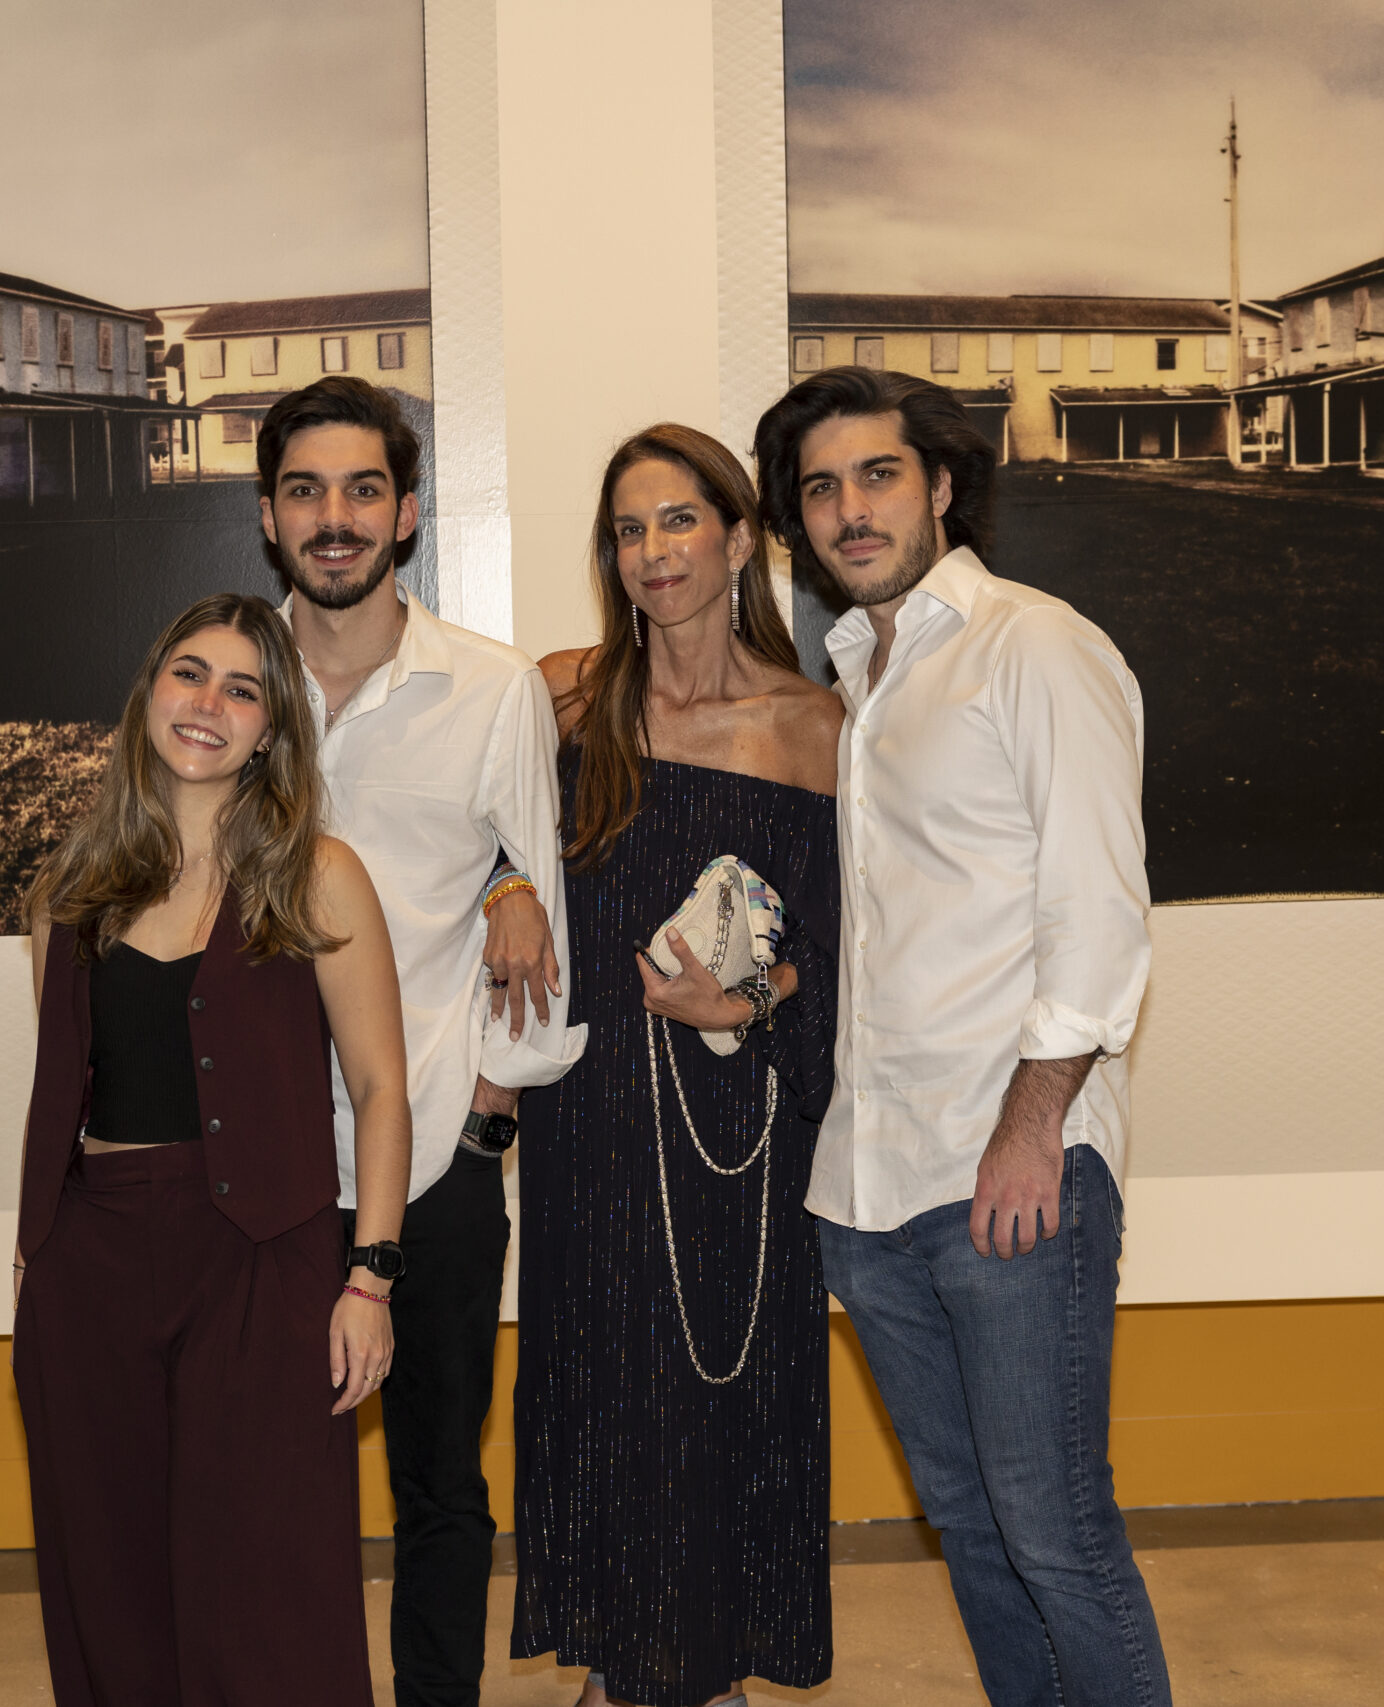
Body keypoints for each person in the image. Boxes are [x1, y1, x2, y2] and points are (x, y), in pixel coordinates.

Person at [753, 367, 1172, 1707]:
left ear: (940, 483)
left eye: (877, 474)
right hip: (868, 1191)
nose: (849, 508)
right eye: (819, 487)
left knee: (1056, 1530)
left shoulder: (1033, 646)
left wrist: (1034, 1124)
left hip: (1008, 1176)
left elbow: (1099, 911)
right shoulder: (860, 673)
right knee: (979, 1537)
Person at [9, 593, 411, 1705]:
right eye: (190, 674)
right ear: (150, 695)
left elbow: (380, 1090)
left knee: (268, 1586)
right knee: (111, 1578)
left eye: (243, 689)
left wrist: (368, 1276)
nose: (209, 704)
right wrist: (32, 1265)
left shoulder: (318, 875)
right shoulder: (67, 893)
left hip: (261, 1261)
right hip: (92, 1262)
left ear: (272, 729)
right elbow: (57, 1096)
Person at [256, 375, 588, 1707]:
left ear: (406, 514)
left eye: (362, 490)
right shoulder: (228, 687)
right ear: (268, 514)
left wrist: (489, 1122)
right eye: (304, 490)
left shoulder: (491, 690)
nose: (334, 518)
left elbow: (536, 900)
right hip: (266, 1163)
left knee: (441, 1480)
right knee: (274, 1478)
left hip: (439, 1152)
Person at [511, 424, 842, 1707]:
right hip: (593, 1123)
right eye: (628, 530)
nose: (651, 552)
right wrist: (501, 890)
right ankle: (631, 1667)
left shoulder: (812, 725)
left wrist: (748, 993)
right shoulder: (563, 695)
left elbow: (841, 949)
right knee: (610, 1394)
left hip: (739, 1129)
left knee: (718, 1399)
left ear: (741, 537)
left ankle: (686, 1673)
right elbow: (473, 839)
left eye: (678, 522)